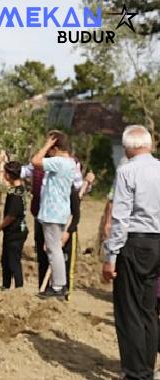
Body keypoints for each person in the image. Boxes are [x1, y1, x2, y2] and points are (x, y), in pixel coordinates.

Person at [102, 125, 160, 380]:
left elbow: (121, 217)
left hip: (135, 243)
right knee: (148, 309)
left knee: (130, 310)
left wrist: (110, 255)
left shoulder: (127, 171)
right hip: (158, 244)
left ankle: (136, 373)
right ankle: (147, 366)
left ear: (127, 147)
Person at [31, 130, 76, 298]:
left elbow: (35, 161)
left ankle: (58, 286)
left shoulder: (60, 162)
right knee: (54, 249)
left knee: (53, 250)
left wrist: (46, 145)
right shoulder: (71, 162)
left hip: (53, 212)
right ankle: (59, 284)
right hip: (60, 211)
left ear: (54, 147)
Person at [0, 161, 28, 289]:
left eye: (5, 173)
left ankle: (19, 289)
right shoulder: (19, 188)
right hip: (14, 232)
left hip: (16, 232)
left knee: (13, 262)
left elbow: (11, 215)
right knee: (6, 261)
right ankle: (5, 286)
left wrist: (0, 226)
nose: (3, 175)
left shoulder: (15, 194)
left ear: (9, 175)